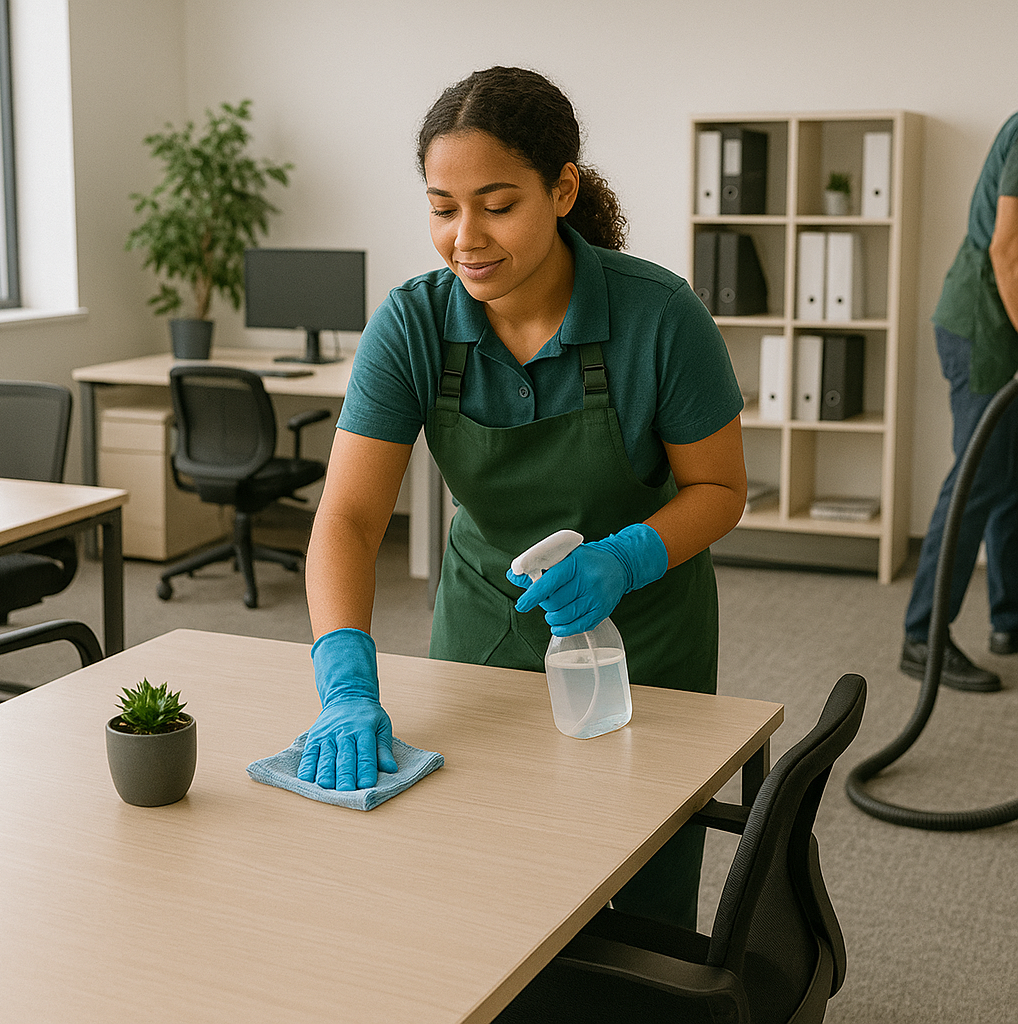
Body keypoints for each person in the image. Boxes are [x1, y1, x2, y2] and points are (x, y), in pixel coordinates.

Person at [297, 66, 746, 929]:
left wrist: (625, 559)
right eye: (441, 207)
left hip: (641, 638)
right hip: (485, 627)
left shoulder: (661, 317)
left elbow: (720, 490)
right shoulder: (413, 324)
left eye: (497, 204)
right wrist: (345, 678)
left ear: (562, 189)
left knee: (644, 885)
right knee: (480, 875)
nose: (466, 237)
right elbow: (349, 520)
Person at [901, 112, 1018, 692]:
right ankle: (923, 638)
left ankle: (1009, 621)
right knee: (977, 478)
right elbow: (1007, 247)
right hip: (982, 326)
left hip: (1004, 325)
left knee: (1010, 476)